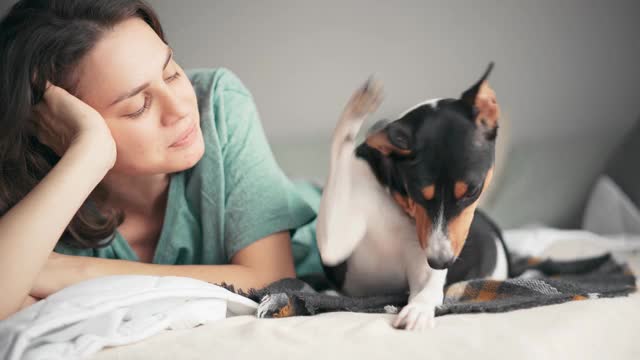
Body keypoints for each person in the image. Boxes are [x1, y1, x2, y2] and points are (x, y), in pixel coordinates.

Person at [0, 0, 323, 320]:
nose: (181, 108)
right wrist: (87, 153)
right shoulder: (31, 201)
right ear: (55, 123)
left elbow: (273, 280)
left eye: (171, 74)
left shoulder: (217, 103)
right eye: (138, 107)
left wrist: (71, 271)